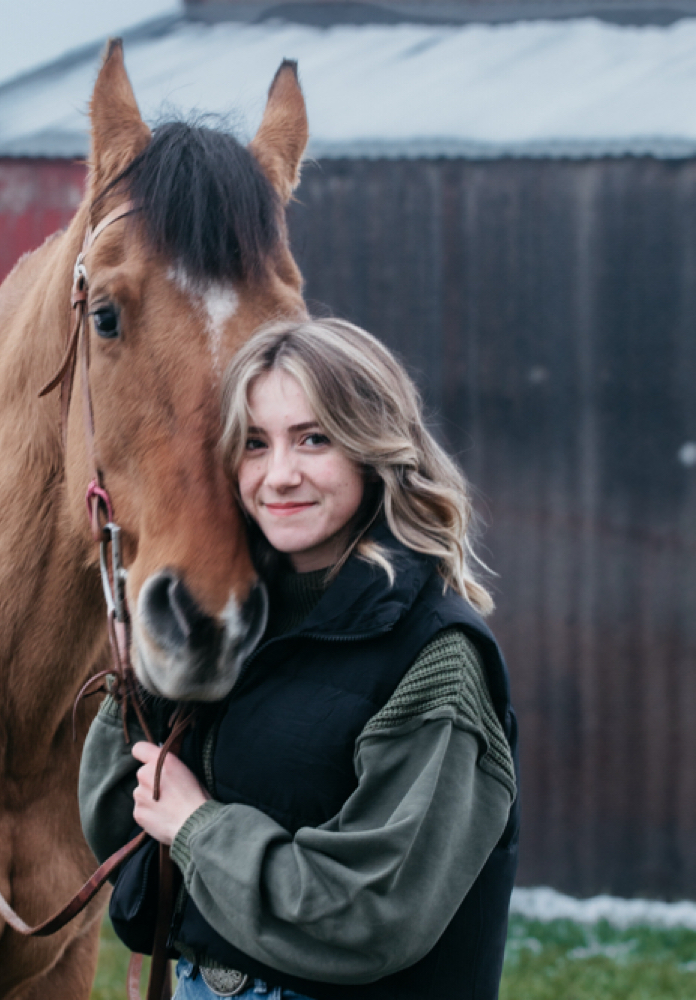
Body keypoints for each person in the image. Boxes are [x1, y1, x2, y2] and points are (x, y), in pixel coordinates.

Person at [79, 318, 519, 1000]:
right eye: (254, 444)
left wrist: (200, 828)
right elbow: (114, 825)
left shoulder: (433, 656)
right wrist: (153, 655)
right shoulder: (231, 621)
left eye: (314, 439)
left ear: (373, 448)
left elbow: (372, 914)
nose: (279, 476)